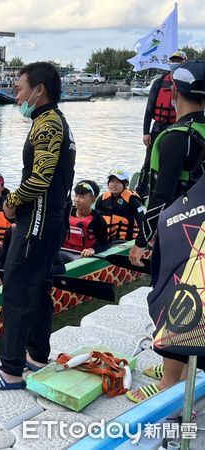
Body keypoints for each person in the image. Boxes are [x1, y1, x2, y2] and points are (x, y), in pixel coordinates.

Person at [0, 62, 76, 390]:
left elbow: (40, 178)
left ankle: (11, 370)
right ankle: (36, 354)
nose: (16, 97)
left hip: (36, 223)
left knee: (16, 291)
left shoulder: (47, 124)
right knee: (40, 288)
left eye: (19, 89)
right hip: (51, 221)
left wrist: (11, 202)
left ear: (39, 89)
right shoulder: (57, 122)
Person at [127, 61, 205, 403]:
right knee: (197, 302)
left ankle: (170, 386)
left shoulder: (173, 137)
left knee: (172, 304)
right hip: (202, 234)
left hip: (179, 236)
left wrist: (142, 242)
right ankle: (184, 369)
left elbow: (159, 198)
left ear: (175, 94)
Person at [135, 51, 188, 199]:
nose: (175, 63)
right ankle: (141, 190)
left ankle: (173, 190)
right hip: (158, 127)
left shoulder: (186, 84)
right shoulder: (159, 82)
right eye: (173, 60)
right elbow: (149, 109)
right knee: (149, 161)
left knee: (173, 161)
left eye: (179, 60)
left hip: (177, 128)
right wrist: (146, 132)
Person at [60, 180, 109, 262]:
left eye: (81, 197)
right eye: (76, 195)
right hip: (61, 252)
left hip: (81, 256)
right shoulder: (65, 212)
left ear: (93, 200)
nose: (76, 200)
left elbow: (104, 244)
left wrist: (93, 250)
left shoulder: (97, 220)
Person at [95, 169, 144, 243]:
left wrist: (141, 240)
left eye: (118, 182)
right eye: (112, 181)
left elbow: (142, 221)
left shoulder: (132, 199)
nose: (114, 184)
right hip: (107, 239)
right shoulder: (102, 198)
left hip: (126, 240)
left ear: (126, 184)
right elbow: (95, 219)